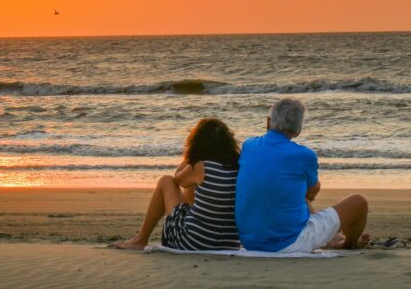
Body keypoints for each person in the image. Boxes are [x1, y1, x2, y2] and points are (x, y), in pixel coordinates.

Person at [235, 98, 369, 252]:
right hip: (290, 243)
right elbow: (313, 190)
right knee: (359, 202)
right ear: (298, 129)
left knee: (290, 190)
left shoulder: (248, 145)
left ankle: (329, 237)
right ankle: (348, 244)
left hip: (250, 241)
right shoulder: (305, 155)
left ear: (268, 122)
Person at [116, 117, 240, 251]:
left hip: (192, 243)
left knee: (166, 181)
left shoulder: (201, 166)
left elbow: (178, 179)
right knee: (193, 186)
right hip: (228, 243)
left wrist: (190, 157)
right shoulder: (239, 166)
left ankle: (141, 239)